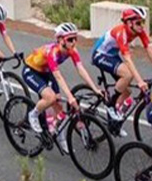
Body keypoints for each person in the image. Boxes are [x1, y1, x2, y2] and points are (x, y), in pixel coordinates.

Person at [22, 22, 104, 153]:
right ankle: (33, 114)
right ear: (61, 40)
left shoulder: (72, 50)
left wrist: (95, 89)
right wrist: (70, 98)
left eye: (75, 38)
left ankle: (60, 137)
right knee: (50, 98)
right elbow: (59, 77)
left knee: (59, 109)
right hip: (31, 71)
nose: (74, 42)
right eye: (70, 39)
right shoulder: (52, 53)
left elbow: (81, 69)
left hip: (46, 72)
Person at [91, 6, 152, 124]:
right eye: (138, 23)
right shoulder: (121, 33)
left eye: (143, 22)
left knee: (126, 91)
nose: (142, 26)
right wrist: (140, 81)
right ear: (129, 23)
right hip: (100, 55)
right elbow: (127, 59)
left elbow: (149, 51)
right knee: (128, 75)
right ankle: (110, 105)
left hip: (112, 55)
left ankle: (113, 122)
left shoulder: (139, 31)